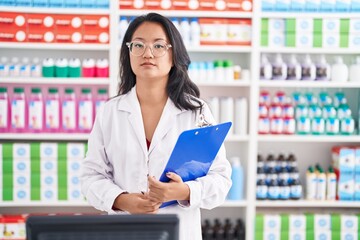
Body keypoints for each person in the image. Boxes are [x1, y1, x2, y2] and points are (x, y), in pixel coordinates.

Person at [81, 12, 232, 240]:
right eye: (138, 45)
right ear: (128, 53)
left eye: (159, 46)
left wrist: (184, 191)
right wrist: (122, 200)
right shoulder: (110, 112)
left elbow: (220, 179)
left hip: (179, 231)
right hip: (124, 231)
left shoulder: (196, 111)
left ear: (173, 55)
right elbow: (90, 177)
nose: (148, 53)